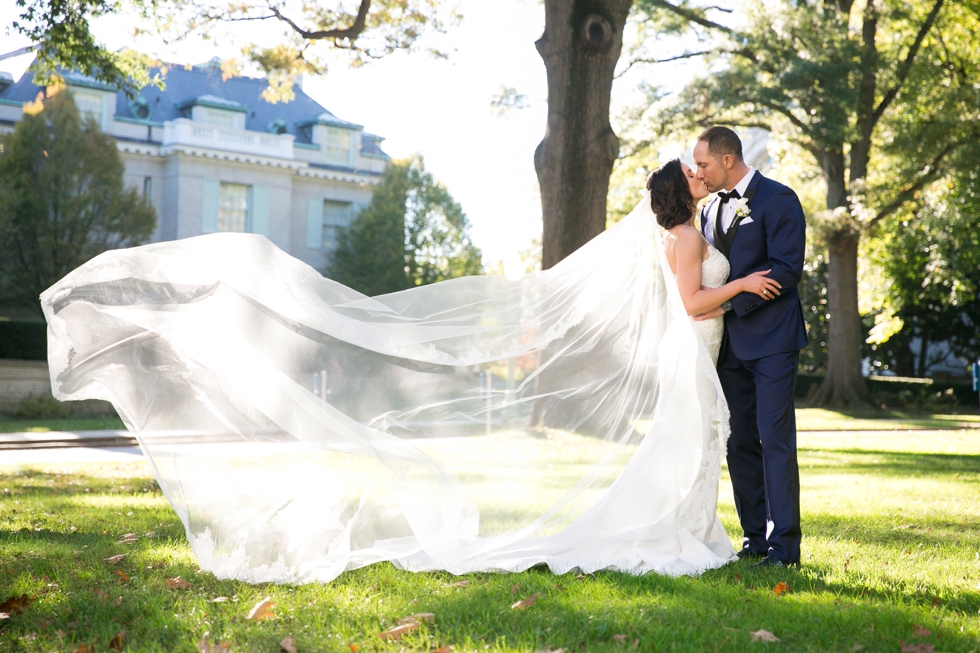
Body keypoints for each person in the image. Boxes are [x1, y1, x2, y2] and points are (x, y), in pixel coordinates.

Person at [40, 155, 771, 584]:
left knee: (695, 443)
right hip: (695, 347)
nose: (705, 173)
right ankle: (686, 532)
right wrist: (740, 286)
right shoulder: (680, 235)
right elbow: (691, 299)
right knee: (693, 441)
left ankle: (695, 527)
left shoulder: (686, 226)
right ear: (685, 191)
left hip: (698, 352)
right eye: (697, 171)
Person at [693, 126, 809, 568]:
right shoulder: (706, 211)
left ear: (727, 160)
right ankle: (754, 539)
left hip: (773, 342)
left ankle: (785, 548)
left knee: (774, 440)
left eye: (703, 164)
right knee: (738, 442)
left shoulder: (779, 199)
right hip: (727, 350)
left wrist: (729, 308)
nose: (699, 173)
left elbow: (786, 269)